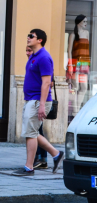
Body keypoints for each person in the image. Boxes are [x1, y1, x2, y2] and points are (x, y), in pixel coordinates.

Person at [12, 29, 63, 176]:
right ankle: (56, 154)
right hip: (31, 100)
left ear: (39, 40)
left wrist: (42, 105)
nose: (28, 38)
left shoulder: (44, 57)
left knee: (30, 133)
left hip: (37, 101)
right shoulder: (34, 56)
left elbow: (47, 83)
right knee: (32, 132)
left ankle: (29, 167)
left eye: (31, 36)